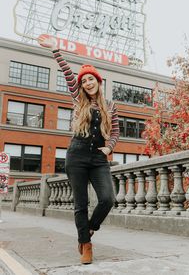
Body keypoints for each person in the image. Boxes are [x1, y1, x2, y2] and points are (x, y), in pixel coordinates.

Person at [38, 36, 119, 265]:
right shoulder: (78, 100)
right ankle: (86, 245)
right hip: (77, 154)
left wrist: (109, 148)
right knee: (80, 204)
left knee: (107, 199)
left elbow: (115, 132)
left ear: (98, 81)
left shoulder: (111, 106)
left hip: (98, 158)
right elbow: (67, 73)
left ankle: (90, 228)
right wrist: (56, 51)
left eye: (91, 79)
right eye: (84, 81)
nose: (88, 83)